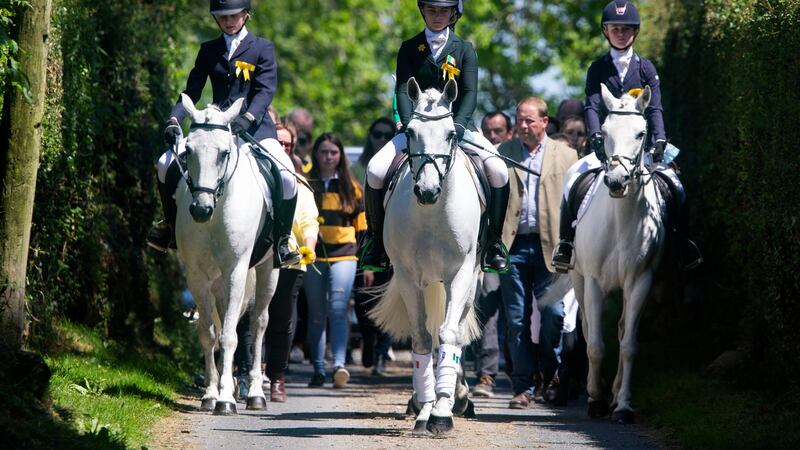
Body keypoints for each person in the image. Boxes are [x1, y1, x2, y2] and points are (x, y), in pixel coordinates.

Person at [359, 0, 511, 274]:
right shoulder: (409, 47)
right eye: (432, 10)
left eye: (443, 11)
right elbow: (403, 91)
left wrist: (460, 126)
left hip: (456, 127)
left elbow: (469, 93)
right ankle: (376, 242)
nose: (437, 16)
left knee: (498, 170)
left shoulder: (464, 49)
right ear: (423, 11)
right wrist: (408, 125)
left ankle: (494, 244)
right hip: (417, 128)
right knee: (375, 170)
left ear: (453, 13)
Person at [551, 0, 702, 272]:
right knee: (573, 177)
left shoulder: (646, 69)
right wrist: (595, 136)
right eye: (615, 28)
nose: (621, 33)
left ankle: (682, 243)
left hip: (637, 148)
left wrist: (660, 139)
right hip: (607, 148)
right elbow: (592, 105)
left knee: (676, 185)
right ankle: (566, 244)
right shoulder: (598, 68)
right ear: (606, 31)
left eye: (627, 28)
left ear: (635, 32)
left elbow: (655, 107)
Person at [148, 0, 300, 267]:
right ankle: (169, 227)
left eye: (233, 15)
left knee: (287, 176)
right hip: (215, 127)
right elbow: (191, 90)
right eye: (222, 17)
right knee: (164, 164)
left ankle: (283, 239)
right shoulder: (209, 50)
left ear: (245, 14)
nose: (228, 21)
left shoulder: (262, 47)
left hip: (255, 128)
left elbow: (265, 90)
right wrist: (175, 119)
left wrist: (249, 116)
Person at [497, 97, 578, 409]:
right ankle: (523, 387)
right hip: (513, 247)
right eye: (520, 119)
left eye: (530, 120)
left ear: (545, 122)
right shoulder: (502, 153)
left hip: (552, 248)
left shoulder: (567, 156)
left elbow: (576, 204)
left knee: (554, 315)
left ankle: (551, 374)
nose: (523, 125)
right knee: (516, 320)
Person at [262, 123, 319, 402]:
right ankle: (245, 370)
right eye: (278, 142)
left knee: (282, 319)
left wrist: (309, 247)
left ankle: (276, 377)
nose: (282, 148)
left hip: (290, 261)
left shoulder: (300, 185)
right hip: (255, 259)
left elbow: (309, 221)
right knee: (250, 315)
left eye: (287, 145)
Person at [304, 132, 366, 388]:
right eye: (323, 152)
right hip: (313, 256)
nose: (328, 157)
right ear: (315, 155)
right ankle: (318, 368)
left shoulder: (352, 187)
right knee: (316, 314)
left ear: (340, 156)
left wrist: (364, 260)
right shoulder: (306, 182)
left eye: (333, 153)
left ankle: (339, 365)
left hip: (345, 255)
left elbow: (362, 227)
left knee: (338, 310)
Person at [350, 118, 396, 376]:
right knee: (362, 298)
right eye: (377, 134)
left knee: (390, 295)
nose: (381, 139)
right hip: (364, 237)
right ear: (370, 136)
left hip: (394, 240)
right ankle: (368, 337)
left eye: (386, 135)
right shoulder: (357, 170)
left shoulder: (400, 165)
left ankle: (381, 353)